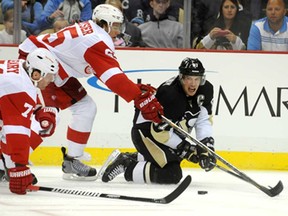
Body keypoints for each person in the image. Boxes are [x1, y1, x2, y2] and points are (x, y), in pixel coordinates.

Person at [18, 4, 164, 181]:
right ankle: (12, 163)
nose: (118, 30)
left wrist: (134, 91)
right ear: (103, 23)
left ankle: (72, 160)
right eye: (115, 25)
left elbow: (105, 70)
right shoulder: (96, 40)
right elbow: (112, 76)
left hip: (52, 66)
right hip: (42, 65)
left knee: (85, 108)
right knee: (46, 117)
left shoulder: (93, 31)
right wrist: (137, 95)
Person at [101, 57, 216, 184]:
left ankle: (136, 157)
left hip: (167, 132)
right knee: (172, 174)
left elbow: (203, 120)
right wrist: (186, 149)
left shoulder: (206, 89)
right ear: (182, 78)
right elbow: (159, 132)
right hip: (146, 132)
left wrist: (206, 148)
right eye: (189, 78)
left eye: (197, 79)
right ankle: (127, 165)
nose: (193, 84)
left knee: (175, 158)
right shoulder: (170, 95)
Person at [0, 48, 59, 194]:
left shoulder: (21, 65)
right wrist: (20, 168)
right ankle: (7, 165)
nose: (50, 81)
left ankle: (6, 164)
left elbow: (24, 91)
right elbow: (17, 133)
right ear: (37, 74)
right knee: (11, 129)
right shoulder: (19, 88)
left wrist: (39, 109)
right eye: (49, 77)